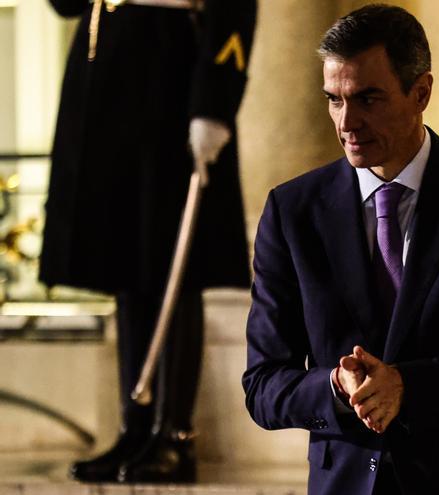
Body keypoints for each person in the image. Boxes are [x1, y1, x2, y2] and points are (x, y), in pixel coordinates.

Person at [241, 4, 439, 494]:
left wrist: (409, 386)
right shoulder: (293, 211)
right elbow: (263, 385)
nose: (347, 122)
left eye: (368, 99)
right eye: (334, 100)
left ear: (421, 93)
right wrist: (335, 387)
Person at [41, 0, 256, 483]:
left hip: (169, 76)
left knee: (173, 271)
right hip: (106, 78)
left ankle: (174, 434)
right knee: (125, 267)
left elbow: (235, 10)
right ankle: (135, 429)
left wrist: (214, 104)